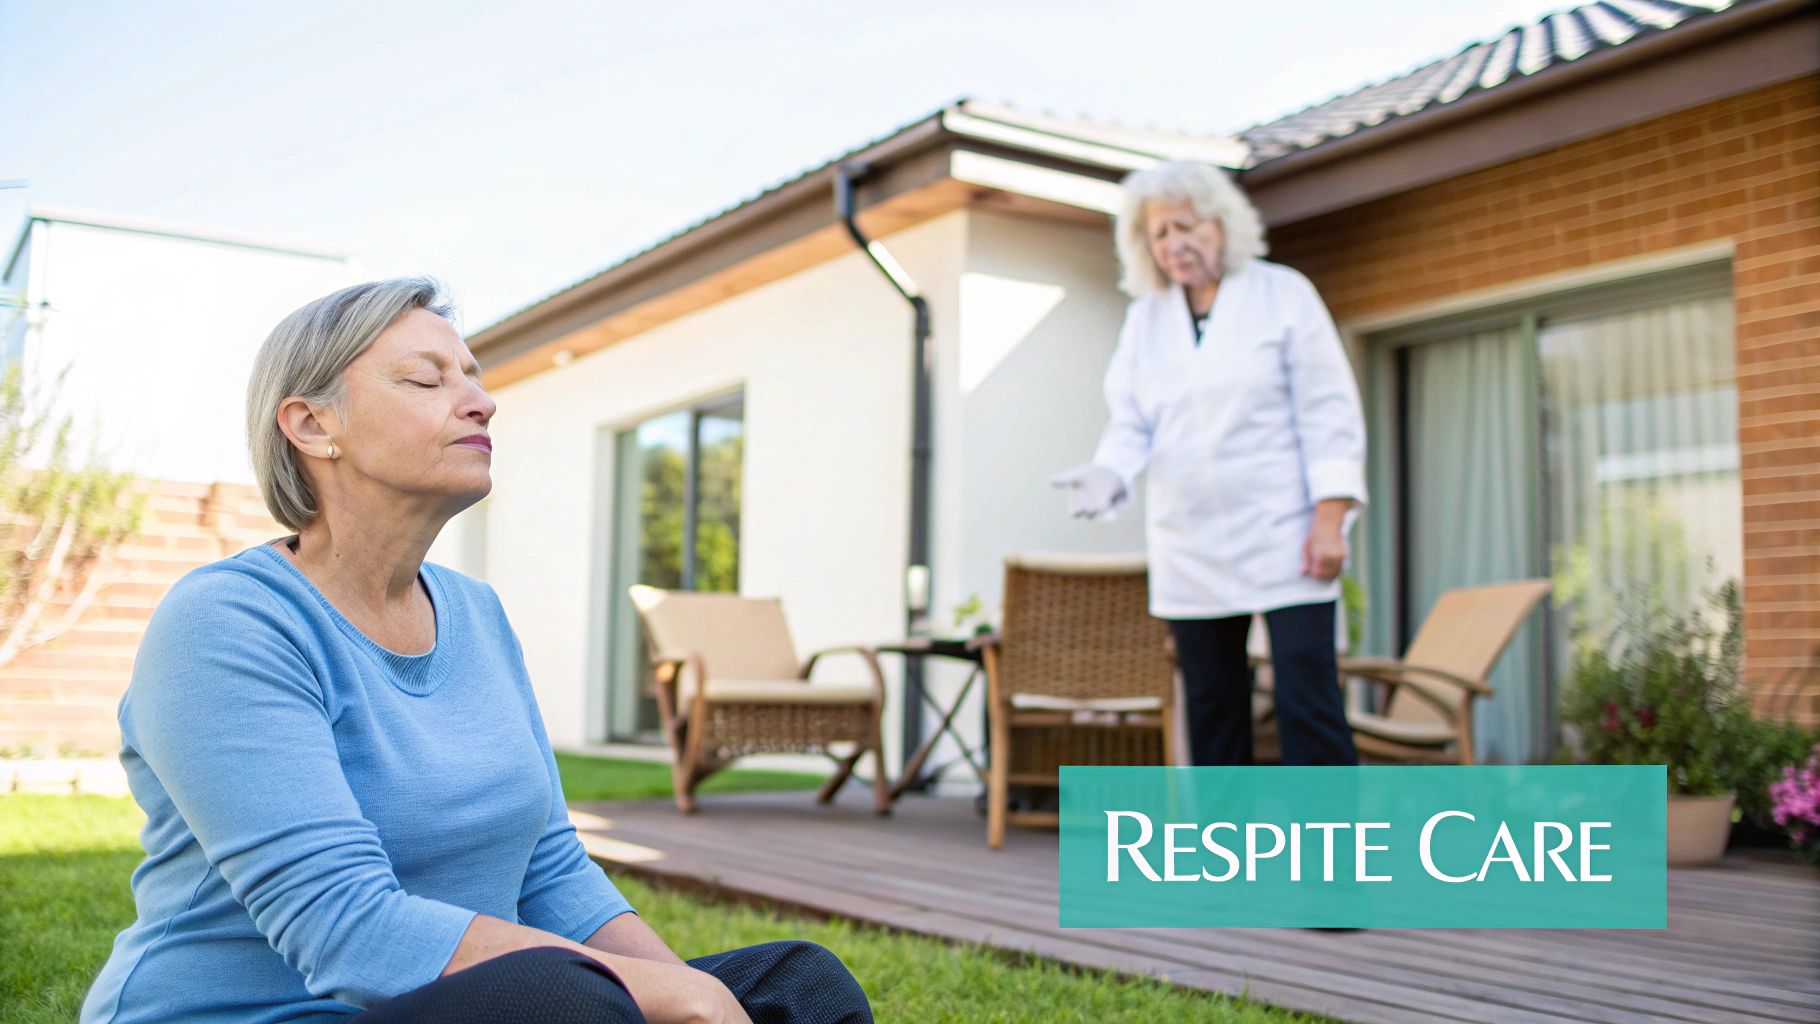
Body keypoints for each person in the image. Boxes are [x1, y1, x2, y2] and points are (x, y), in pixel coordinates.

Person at [81, 278, 874, 1024]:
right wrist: (656, 997)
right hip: (266, 1014)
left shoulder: (477, 614)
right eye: (426, 382)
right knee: (563, 998)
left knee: (801, 985)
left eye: (473, 376)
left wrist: (691, 997)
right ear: (313, 424)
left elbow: (549, 866)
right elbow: (349, 930)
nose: (481, 402)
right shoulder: (229, 621)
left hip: (467, 1005)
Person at [1053, 161, 1366, 768]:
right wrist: (1108, 473)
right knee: (1213, 704)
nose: (1174, 244)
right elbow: (1132, 423)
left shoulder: (1284, 295)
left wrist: (1330, 518)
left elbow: (1329, 414)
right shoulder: (1146, 321)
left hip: (1286, 530)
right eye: (1159, 234)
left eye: (1184, 226)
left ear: (1220, 225)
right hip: (1190, 540)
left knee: (1308, 697)